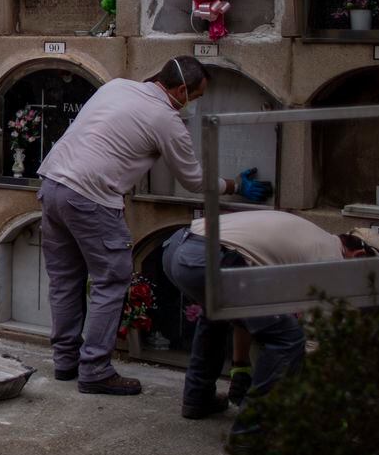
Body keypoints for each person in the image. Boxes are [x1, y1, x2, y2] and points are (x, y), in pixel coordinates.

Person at [37, 56, 272, 396]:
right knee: (111, 278)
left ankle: (65, 362)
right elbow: (193, 180)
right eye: (196, 96)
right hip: (91, 197)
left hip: (53, 183)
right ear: (180, 90)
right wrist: (234, 186)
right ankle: (95, 370)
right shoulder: (166, 119)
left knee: (64, 280)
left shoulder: (118, 86)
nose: (193, 103)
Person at [162, 212, 379, 418]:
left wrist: (240, 367)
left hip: (176, 248)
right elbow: (312, 344)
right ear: (359, 256)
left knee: (217, 314)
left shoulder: (317, 240)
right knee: (289, 338)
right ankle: (254, 430)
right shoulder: (330, 263)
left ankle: (198, 398)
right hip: (208, 260)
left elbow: (245, 312)